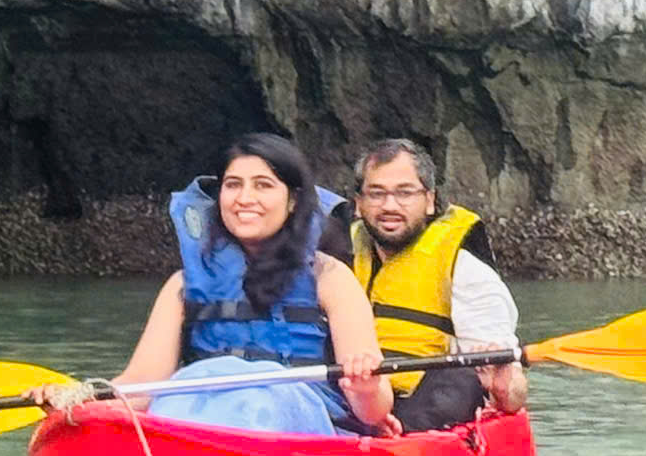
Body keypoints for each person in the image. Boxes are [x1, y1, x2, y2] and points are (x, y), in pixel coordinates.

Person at [35, 133, 395, 436]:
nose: (244, 199)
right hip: (200, 421)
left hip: (296, 425)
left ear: (293, 200)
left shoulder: (330, 279)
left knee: (257, 401)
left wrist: (365, 388)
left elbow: (373, 412)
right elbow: (141, 385)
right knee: (180, 400)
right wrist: (77, 397)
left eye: (263, 185)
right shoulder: (183, 286)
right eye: (233, 185)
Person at [348, 138, 528, 432]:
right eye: (376, 194)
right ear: (358, 204)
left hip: (424, 405)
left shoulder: (466, 271)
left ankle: (396, 439)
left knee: (459, 381)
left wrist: (504, 388)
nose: (389, 206)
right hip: (357, 397)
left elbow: (513, 396)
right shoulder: (339, 258)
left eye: (405, 193)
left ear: (429, 200)